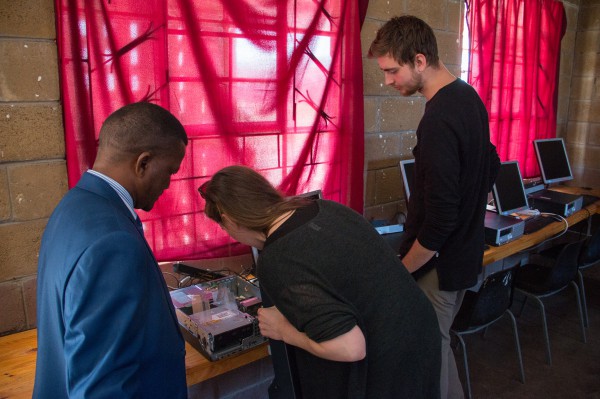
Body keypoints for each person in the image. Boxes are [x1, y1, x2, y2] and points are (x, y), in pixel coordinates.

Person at [198, 165, 441, 398]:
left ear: (229, 220)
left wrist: (284, 330)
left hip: (387, 360)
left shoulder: (276, 259)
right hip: (420, 330)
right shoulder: (324, 207)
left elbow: (349, 347)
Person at [369, 15, 501, 399]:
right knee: (439, 350)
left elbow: (440, 219)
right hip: (464, 258)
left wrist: (401, 270)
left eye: (393, 70)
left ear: (420, 60)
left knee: (428, 360)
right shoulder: (469, 97)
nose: (389, 81)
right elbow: (489, 164)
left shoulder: (439, 119)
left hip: (437, 268)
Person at [33, 102, 189, 398]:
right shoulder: (113, 243)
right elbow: (102, 387)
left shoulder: (74, 205)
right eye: (169, 171)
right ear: (143, 163)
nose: (169, 184)